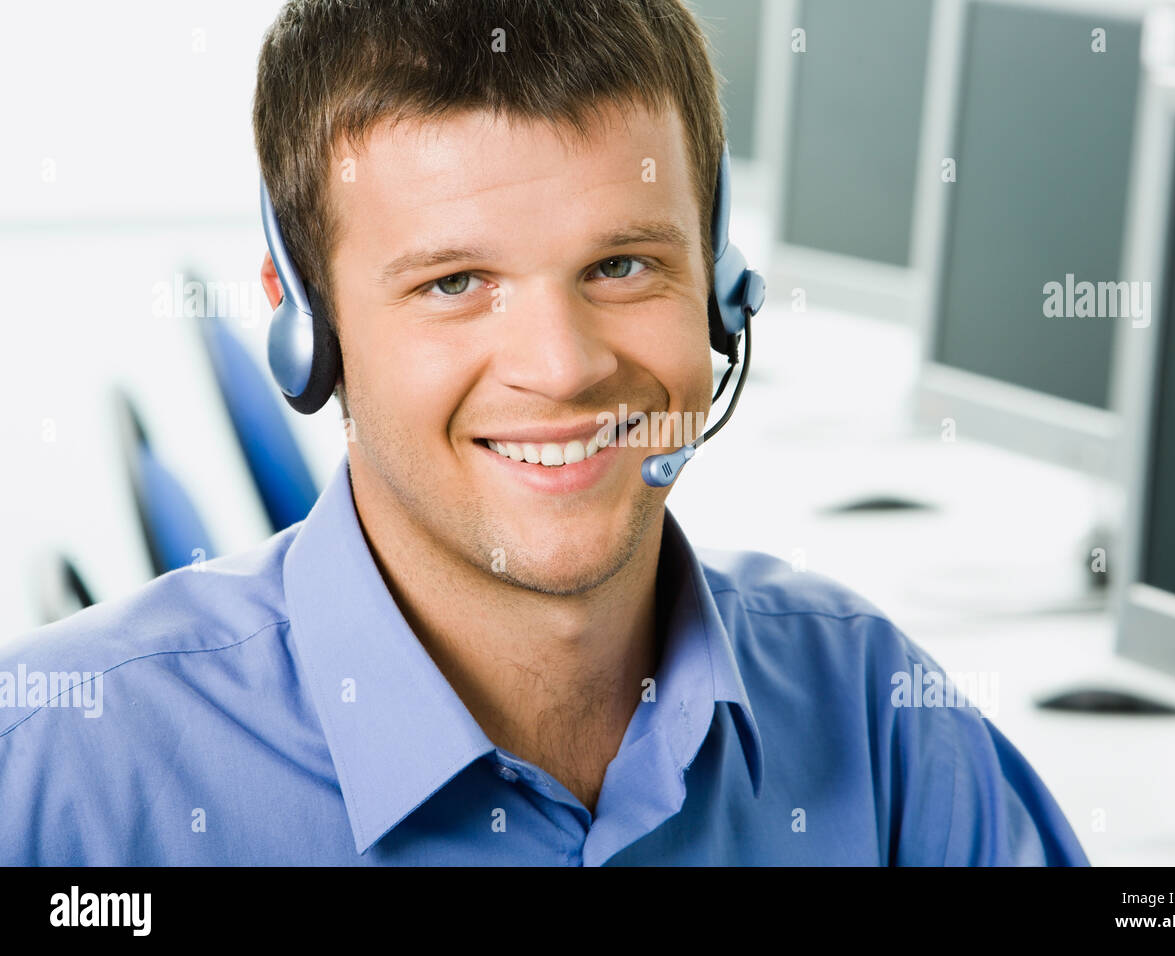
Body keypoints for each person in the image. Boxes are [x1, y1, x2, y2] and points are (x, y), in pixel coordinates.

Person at [0, 0, 1088, 866]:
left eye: (621, 265)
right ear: (311, 329)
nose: (562, 366)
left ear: (718, 291)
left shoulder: (873, 717)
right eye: (455, 283)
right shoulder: (65, 772)